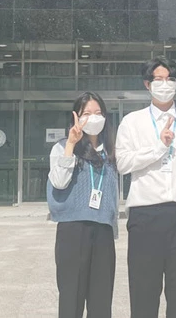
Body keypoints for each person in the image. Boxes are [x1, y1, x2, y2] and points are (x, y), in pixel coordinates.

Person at [115, 56, 176, 318]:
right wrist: (159, 147)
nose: (165, 84)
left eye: (170, 79)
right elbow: (122, 163)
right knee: (144, 289)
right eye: (158, 79)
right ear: (147, 84)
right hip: (146, 214)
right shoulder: (132, 122)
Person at [48, 91, 119, 318]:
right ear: (76, 118)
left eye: (98, 113)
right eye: (86, 113)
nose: (93, 118)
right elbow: (59, 182)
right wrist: (71, 144)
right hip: (73, 229)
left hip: (103, 230)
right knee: (71, 297)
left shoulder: (110, 151)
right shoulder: (62, 147)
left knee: (101, 301)